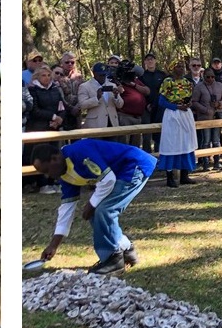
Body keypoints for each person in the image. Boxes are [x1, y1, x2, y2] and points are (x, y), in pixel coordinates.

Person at [32, 138, 157, 275]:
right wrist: (53, 245)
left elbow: (108, 179)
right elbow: (66, 208)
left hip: (133, 166)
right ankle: (126, 249)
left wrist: (91, 204)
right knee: (97, 213)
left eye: (47, 170)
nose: (47, 175)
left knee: (104, 211)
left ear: (55, 159)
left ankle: (113, 260)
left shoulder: (79, 152)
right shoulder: (64, 175)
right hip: (118, 174)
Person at [25, 64, 67, 193]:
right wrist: (53, 116)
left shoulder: (55, 89)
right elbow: (34, 110)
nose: (47, 78)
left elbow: (62, 107)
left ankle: (53, 182)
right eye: (43, 75)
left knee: (54, 155)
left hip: (53, 128)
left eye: (49, 75)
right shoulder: (33, 90)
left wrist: (59, 119)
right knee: (42, 157)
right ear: (37, 76)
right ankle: (42, 184)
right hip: (38, 128)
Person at [156, 61, 199, 186]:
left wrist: (188, 104)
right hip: (172, 115)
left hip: (186, 115)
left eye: (182, 67)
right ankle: (170, 177)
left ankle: (184, 175)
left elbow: (190, 97)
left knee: (186, 142)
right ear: (172, 68)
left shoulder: (187, 83)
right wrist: (176, 107)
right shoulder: (167, 82)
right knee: (172, 144)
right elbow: (161, 101)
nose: (181, 69)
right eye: (178, 67)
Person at [78, 62, 124, 129]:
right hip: (95, 125)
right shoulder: (85, 86)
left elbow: (120, 105)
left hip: (112, 123)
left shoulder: (112, 85)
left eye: (104, 75)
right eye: (101, 75)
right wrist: (96, 98)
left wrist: (116, 96)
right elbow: (82, 105)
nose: (103, 77)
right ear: (94, 73)